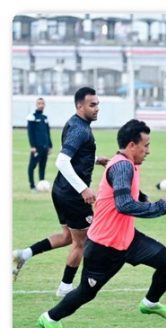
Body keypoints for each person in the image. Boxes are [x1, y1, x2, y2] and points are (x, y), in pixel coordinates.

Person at [37, 119, 166, 328]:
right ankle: (50, 318)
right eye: (146, 145)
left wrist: (141, 196)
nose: (148, 151)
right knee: (86, 292)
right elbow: (124, 205)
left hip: (128, 239)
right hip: (104, 245)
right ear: (132, 145)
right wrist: (160, 206)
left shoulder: (125, 163)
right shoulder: (122, 165)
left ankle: (150, 303)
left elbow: (122, 194)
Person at [12, 87, 109, 298]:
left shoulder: (74, 123)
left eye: (97, 104)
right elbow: (62, 161)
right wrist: (83, 189)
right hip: (72, 194)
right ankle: (65, 287)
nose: (97, 108)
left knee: (68, 237)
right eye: (92, 105)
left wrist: (95, 159)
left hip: (61, 190)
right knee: (82, 241)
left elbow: (74, 158)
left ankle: (23, 254)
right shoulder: (81, 130)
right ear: (79, 106)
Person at [26, 97, 53, 191]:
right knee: (32, 166)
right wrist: (32, 146)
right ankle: (32, 186)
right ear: (36, 105)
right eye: (39, 103)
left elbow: (47, 132)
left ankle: (42, 184)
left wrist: (50, 146)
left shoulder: (45, 118)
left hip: (45, 147)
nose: (41, 105)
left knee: (42, 166)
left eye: (42, 103)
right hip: (36, 147)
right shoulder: (32, 117)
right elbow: (30, 133)